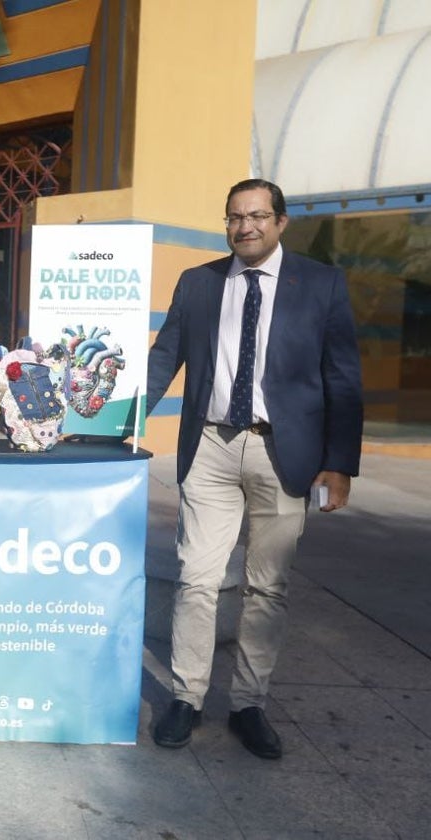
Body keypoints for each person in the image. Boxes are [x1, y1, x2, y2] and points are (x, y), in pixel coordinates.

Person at [145, 178, 362, 760]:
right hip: (211, 446)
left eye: (259, 216)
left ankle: (248, 705)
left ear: (281, 222)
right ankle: (186, 697)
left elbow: (342, 377)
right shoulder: (199, 282)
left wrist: (339, 464)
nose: (246, 226)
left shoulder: (321, 284)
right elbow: (165, 356)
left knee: (268, 586)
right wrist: (119, 417)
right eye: (236, 217)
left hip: (284, 453)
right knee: (197, 578)